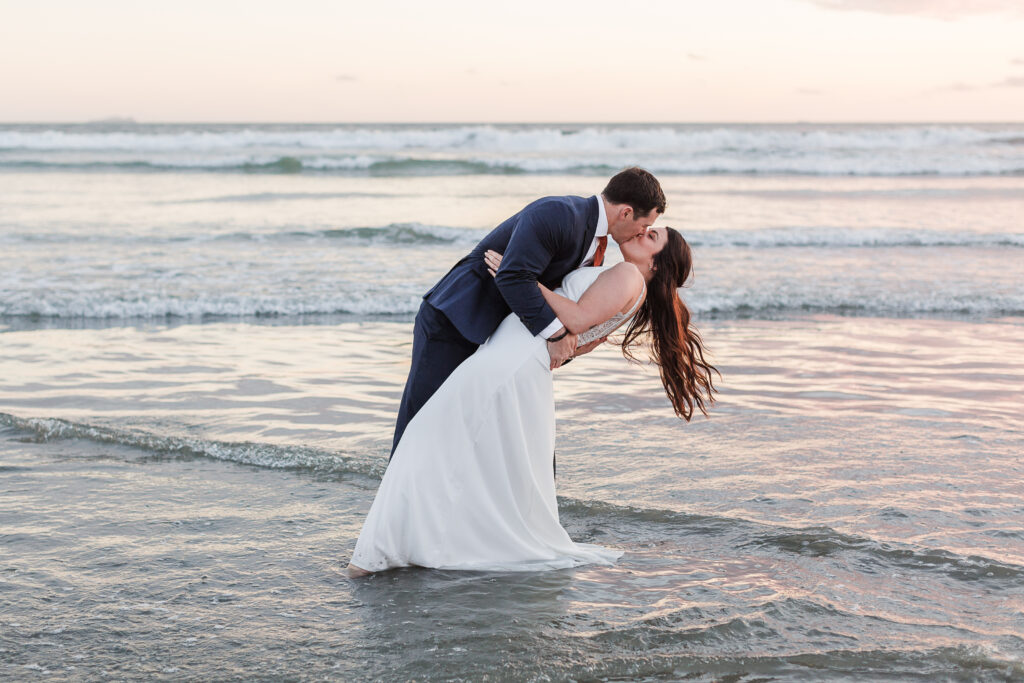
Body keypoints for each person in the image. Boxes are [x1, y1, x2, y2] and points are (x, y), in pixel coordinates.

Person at [347, 226, 717, 576]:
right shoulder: (630, 285)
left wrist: (519, 278)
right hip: (516, 358)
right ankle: (412, 545)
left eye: (651, 236)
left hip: (511, 361)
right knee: (456, 449)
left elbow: (577, 317)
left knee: (428, 437)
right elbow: (583, 341)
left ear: (656, 263)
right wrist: (555, 341)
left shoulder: (630, 277)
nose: (641, 232)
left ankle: (384, 553)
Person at [389, 168, 666, 458]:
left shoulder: (597, 244)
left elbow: (554, 299)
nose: (642, 232)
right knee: (420, 420)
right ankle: (395, 498)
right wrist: (557, 334)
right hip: (456, 319)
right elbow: (512, 277)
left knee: (469, 430)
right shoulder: (559, 213)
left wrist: (570, 344)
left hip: (498, 340)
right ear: (626, 212)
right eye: (645, 225)